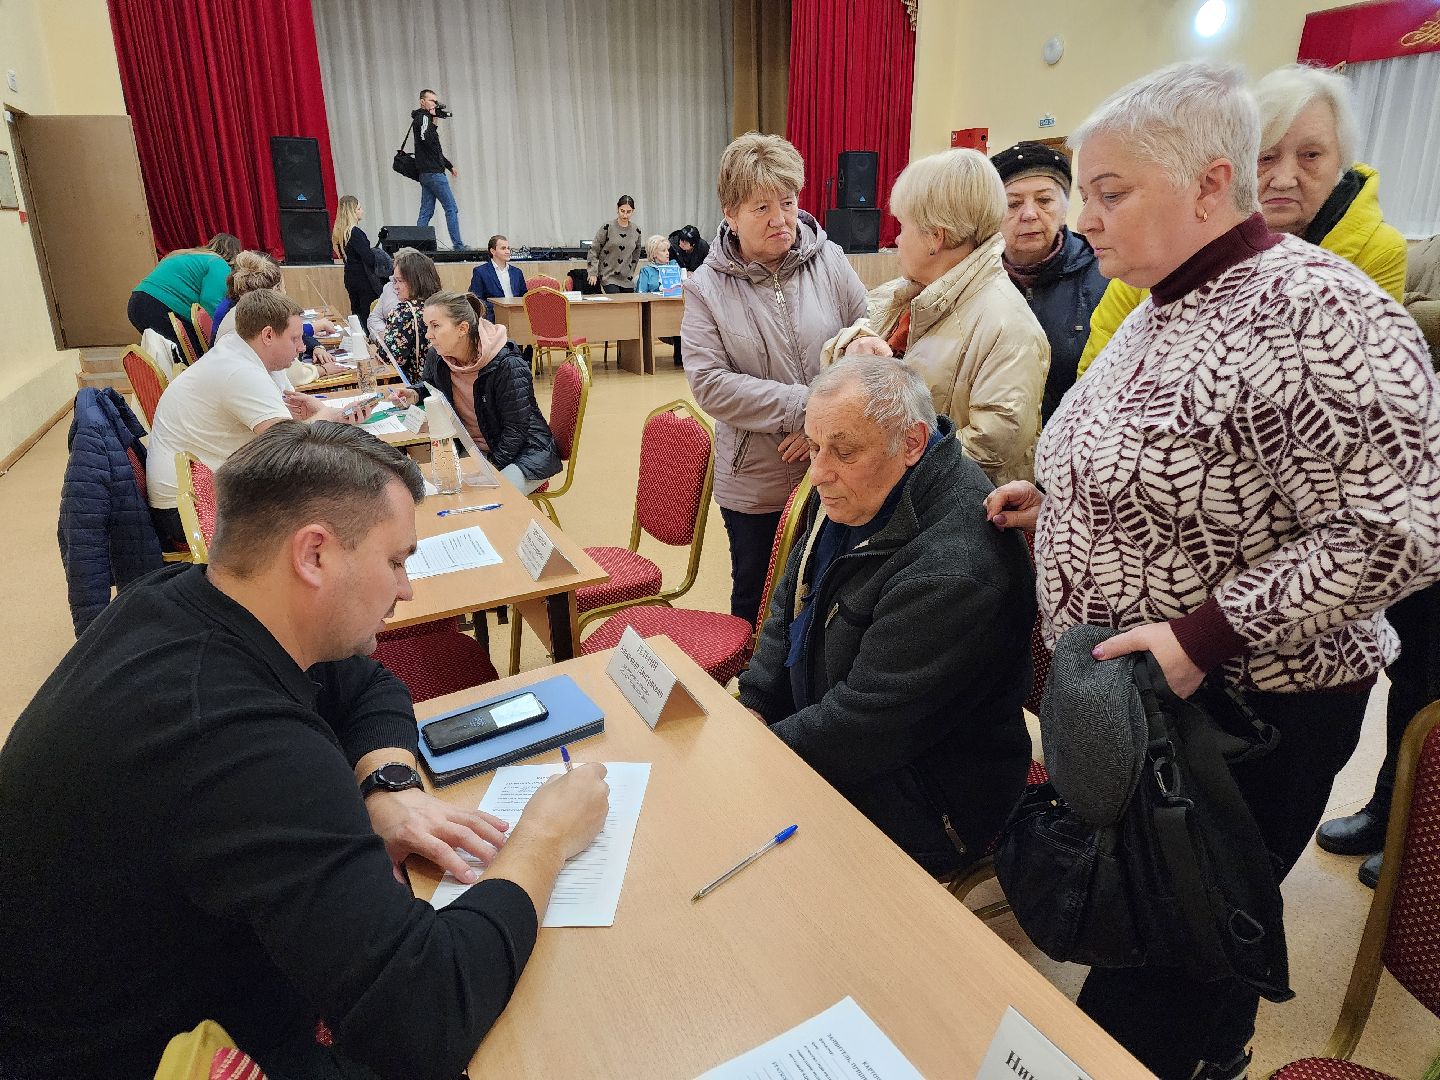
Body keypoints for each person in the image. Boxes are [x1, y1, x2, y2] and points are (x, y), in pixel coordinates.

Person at [983, 61, 1440, 1080]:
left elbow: (1403, 528)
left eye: (1111, 192)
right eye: (1084, 192)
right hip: (1143, 706)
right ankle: (1217, 1055)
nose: (1085, 219)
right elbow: (1183, 470)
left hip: (1250, 712)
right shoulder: (1159, 298)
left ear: (1208, 183)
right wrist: (1061, 506)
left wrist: (1205, 635)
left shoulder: (1319, 310)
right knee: (1181, 950)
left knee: (1162, 973)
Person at [0, 421, 610, 1079]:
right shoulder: (245, 746)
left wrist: (389, 784)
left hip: (174, 980)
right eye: (396, 560)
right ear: (314, 554)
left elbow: (366, 683)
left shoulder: (177, 598)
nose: (406, 588)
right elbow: (427, 1018)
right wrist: (545, 838)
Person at [740, 355, 1033, 879]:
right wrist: (756, 704)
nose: (818, 471)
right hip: (839, 743)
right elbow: (791, 598)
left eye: (844, 451)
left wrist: (758, 754)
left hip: (926, 802)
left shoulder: (954, 568)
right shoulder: (853, 489)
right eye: (813, 446)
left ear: (913, 442)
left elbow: (865, 726)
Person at [1076, 62, 1408, 377]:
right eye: (1266, 157)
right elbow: (1099, 365)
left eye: (1310, 155)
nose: (1284, 179)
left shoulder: (1367, 262)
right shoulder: (1163, 245)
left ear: (1342, 161)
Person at [682, 132, 867, 624]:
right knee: (757, 599)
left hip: (836, 463)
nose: (780, 218)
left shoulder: (829, 260)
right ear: (730, 213)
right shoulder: (706, 288)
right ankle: (752, 700)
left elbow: (866, 342)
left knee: (835, 598)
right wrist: (801, 407)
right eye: (761, 207)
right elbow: (709, 383)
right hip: (755, 477)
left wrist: (820, 426)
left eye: (787, 202)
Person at [821, 148, 1049, 487]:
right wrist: (856, 346)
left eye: (903, 226)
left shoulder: (1008, 326)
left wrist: (882, 456)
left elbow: (993, 448)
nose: (896, 239)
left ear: (934, 237)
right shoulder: (908, 292)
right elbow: (842, 357)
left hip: (940, 520)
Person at [145, 289, 374, 548]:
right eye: (295, 339)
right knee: (332, 506)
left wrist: (312, 416)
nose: (301, 348)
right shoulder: (240, 371)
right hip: (189, 511)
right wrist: (325, 417)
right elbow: (286, 448)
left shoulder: (240, 351)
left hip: (195, 494)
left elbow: (281, 433)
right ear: (267, 335)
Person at [388, 291, 560, 494]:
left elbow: (516, 432)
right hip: (474, 449)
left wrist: (489, 470)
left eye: (435, 326)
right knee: (439, 492)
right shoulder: (438, 356)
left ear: (462, 328)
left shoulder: (508, 365)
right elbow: (431, 384)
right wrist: (414, 393)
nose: (428, 334)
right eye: (427, 326)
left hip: (524, 453)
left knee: (488, 502)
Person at [990, 142, 1108, 422]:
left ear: (1065, 210)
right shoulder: (977, 278)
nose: (1030, 214)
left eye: (1044, 201)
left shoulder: (1105, 274)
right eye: (1013, 204)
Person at [211, 251, 346, 388]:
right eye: (281, 288)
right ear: (274, 291)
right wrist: (322, 370)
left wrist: (315, 347)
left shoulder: (240, 311)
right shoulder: (258, 320)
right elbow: (292, 375)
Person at [127, 233, 240, 354]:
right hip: (161, 307)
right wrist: (221, 336)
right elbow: (210, 303)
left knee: (167, 357)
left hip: (137, 303)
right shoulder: (218, 263)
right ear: (235, 255)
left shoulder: (185, 255)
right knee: (196, 357)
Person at [381, 247, 443, 384]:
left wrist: (382, 339)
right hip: (446, 385)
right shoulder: (445, 305)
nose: (395, 287)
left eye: (399, 281)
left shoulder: (403, 312)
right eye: (394, 281)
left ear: (416, 280)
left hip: (417, 389)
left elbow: (391, 358)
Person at [413, 88, 464, 249]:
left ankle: (418, 247)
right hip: (434, 174)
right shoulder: (423, 118)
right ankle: (458, 245)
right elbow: (426, 139)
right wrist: (433, 117)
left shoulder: (426, 119)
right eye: (431, 101)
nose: (435, 103)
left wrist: (449, 166)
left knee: (426, 212)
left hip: (427, 173)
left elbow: (434, 149)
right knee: (451, 208)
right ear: (422, 102)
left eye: (435, 101)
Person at [332, 195, 385, 320]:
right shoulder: (355, 233)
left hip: (350, 277)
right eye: (359, 208)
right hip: (363, 279)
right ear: (352, 212)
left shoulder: (340, 234)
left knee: (357, 313)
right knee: (368, 315)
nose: (362, 211)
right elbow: (369, 258)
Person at [637, 235, 684, 366]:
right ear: (654, 254)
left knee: (680, 319)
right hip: (654, 311)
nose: (667, 253)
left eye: (667, 250)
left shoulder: (674, 266)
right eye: (663, 251)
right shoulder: (647, 271)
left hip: (674, 308)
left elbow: (682, 286)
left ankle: (680, 358)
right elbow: (641, 294)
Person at [587, 195, 643, 293]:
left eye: (628, 212)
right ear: (617, 209)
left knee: (630, 306)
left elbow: (636, 255)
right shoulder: (608, 227)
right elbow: (594, 249)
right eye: (622, 211)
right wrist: (592, 272)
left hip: (626, 278)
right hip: (608, 276)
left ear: (633, 211)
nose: (625, 215)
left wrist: (631, 272)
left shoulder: (636, 230)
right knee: (617, 303)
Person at [469, 234, 528, 321]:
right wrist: (498, 308)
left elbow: (524, 296)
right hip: (492, 318)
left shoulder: (517, 272)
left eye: (508, 248)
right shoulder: (480, 272)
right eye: (503, 248)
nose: (508, 251)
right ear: (493, 251)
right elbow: (476, 300)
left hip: (517, 316)